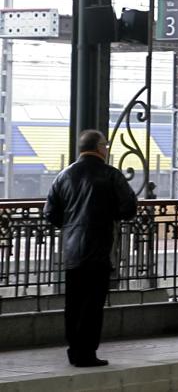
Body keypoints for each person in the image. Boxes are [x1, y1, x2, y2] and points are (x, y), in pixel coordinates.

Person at [43, 130, 137, 367]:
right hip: (100, 247)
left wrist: (72, 224)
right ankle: (87, 353)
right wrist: (107, 215)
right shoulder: (110, 174)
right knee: (93, 305)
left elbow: (50, 213)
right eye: (105, 145)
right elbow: (129, 208)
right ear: (100, 148)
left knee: (73, 304)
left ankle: (74, 350)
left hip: (72, 250)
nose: (107, 149)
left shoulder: (63, 176)